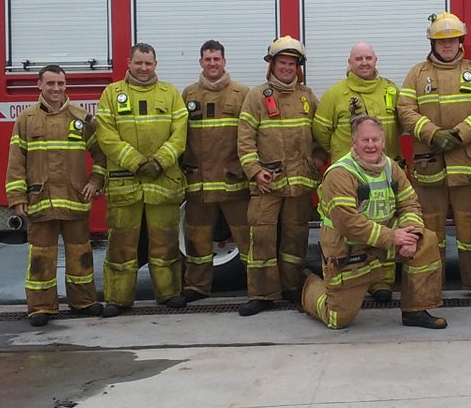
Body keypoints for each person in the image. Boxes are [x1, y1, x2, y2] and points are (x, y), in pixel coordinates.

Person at [302, 115, 447, 330]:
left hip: (381, 240)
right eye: (365, 140)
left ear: (383, 142)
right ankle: (306, 287)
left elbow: (410, 204)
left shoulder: (391, 167)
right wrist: (393, 236)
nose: (371, 145)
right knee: (337, 319)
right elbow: (346, 221)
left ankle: (415, 311)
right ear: (354, 142)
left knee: (427, 240)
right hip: (347, 246)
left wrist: (412, 234)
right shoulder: (340, 173)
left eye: (375, 140)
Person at [397, 13, 471, 302]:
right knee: (430, 232)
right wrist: (431, 134)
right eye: (441, 41)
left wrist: (457, 135)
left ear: (460, 41)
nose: (447, 45)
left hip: (467, 163)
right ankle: (430, 286)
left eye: (451, 39)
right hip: (429, 166)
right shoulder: (417, 74)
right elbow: (404, 110)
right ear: (432, 43)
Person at [6, 65, 106, 326]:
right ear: (39, 85)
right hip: (41, 201)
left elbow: (101, 154)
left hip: (74, 200)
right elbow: (16, 161)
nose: (56, 89)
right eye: (50, 83)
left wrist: (96, 181)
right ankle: (41, 308)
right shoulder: (26, 120)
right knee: (41, 257)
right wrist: (17, 197)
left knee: (80, 256)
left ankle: (83, 302)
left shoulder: (81, 118)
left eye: (60, 83)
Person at [94, 43, 188, 316]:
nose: (144, 68)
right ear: (129, 62)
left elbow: (180, 133)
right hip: (126, 182)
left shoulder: (170, 94)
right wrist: (134, 161)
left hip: (162, 182)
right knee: (121, 244)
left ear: (155, 64)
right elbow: (106, 135)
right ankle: (118, 299)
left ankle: (169, 294)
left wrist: (160, 160)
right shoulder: (112, 94)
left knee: (166, 242)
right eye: (139, 63)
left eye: (148, 63)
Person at [237, 37, 327, 316]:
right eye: (282, 63)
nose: (287, 68)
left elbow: (322, 135)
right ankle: (261, 295)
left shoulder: (307, 97)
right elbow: (244, 140)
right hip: (267, 185)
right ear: (272, 65)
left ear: (298, 68)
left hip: (300, 185)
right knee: (261, 239)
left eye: (292, 63)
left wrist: (319, 159)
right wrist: (255, 171)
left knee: (294, 240)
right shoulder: (256, 96)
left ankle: (291, 289)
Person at [313, 42, 402, 301]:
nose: (364, 62)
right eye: (359, 58)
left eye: (369, 58)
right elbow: (320, 132)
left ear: (376, 60)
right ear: (349, 63)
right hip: (350, 177)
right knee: (355, 230)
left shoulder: (390, 89)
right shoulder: (334, 95)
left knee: (386, 219)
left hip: (384, 173)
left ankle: (383, 283)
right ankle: (357, 280)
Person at [178, 40, 251, 303]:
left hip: (234, 183)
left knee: (248, 240)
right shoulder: (188, 95)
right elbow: (179, 137)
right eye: (207, 59)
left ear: (224, 61)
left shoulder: (242, 94)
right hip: (198, 184)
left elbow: (253, 135)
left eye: (216, 59)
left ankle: (259, 289)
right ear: (200, 62)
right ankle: (196, 288)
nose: (212, 64)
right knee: (197, 242)